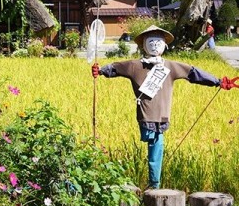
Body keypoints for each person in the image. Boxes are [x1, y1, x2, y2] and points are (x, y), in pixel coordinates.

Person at [91, 25, 236, 189]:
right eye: (150, 41)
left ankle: (154, 184)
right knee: (154, 142)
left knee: (156, 144)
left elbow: (193, 73)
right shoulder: (135, 66)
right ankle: (154, 184)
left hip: (163, 116)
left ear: (164, 45)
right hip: (146, 115)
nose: (154, 45)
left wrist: (217, 81)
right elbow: (115, 68)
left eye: (158, 41)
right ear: (144, 45)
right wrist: (101, 70)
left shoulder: (170, 66)